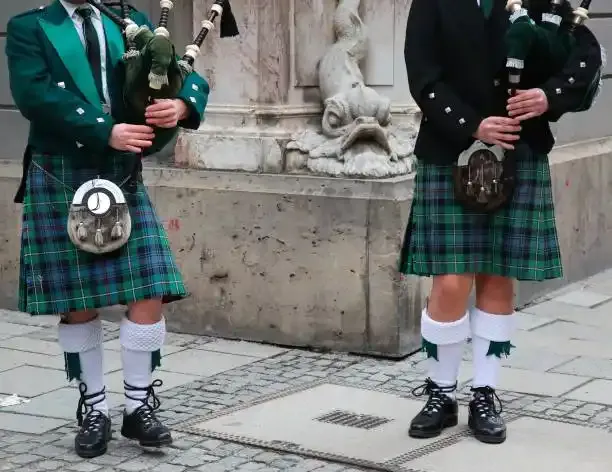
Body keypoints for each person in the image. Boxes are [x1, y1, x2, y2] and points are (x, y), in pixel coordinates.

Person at [5, 0, 209, 459]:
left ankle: (138, 406)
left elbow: (184, 74)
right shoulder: (30, 27)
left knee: (151, 289)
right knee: (79, 303)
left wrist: (180, 103)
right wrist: (106, 131)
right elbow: (34, 94)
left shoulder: (129, 21)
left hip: (121, 172)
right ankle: (93, 408)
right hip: (62, 169)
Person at [400, 0, 602, 444]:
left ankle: (485, 392)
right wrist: (473, 125)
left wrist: (550, 95)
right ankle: (440, 390)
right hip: (451, 151)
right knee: (451, 281)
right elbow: (423, 76)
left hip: (519, 151)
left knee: (496, 276)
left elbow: (584, 57)